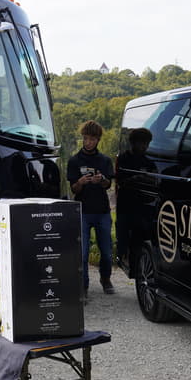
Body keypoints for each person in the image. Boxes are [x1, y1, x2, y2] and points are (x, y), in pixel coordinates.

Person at [67, 120, 114, 297]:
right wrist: (81, 182)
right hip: (82, 212)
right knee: (83, 253)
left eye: (92, 139)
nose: (88, 142)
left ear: (98, 140)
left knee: (107, 252)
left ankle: (105, 279)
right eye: (86, 138)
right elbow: (73, 189)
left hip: (102, 211)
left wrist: (101, 180)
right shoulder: (74, 161)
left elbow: (108, 184)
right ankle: (84, 286)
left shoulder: (105, 160)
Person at [114, 127, 155, 276]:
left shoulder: (148, 161)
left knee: (139, 240)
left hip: (142, 207)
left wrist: (148, 179)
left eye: (147, 143)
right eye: (141, 143)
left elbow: (155, 180)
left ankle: (137, 270)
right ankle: (123, 260)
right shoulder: (123, 159)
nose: (144, 146)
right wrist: (135, 178)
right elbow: (119, 181)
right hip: (125, 205)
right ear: (133, 143)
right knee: (123, 238)